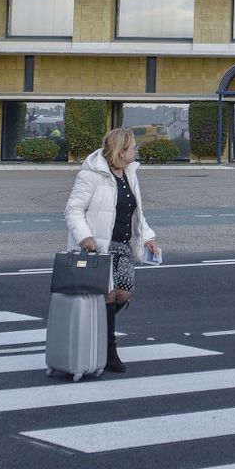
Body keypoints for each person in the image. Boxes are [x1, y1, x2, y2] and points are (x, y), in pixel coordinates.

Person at [64, 127, 161, 374]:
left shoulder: (129, 173)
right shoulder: (92, 173)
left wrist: (148, 237)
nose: (136, 150)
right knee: (106, 296)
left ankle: (94, 330)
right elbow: (73, 210)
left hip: (123, 244)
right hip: (100, 246)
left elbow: (136, 213)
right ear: (121, 150)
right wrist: (84, 236)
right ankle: (108, 351)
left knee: (124, 293)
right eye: (132, 147)